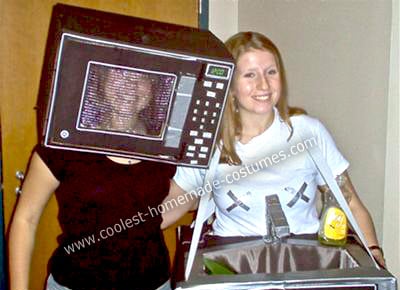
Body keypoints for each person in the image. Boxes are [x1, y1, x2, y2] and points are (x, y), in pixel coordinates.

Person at [161, 31, 385, 268]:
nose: (263, 85)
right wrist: (126, 229)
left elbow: (348, 202)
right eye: (250, 75)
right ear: (231, 85)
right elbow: (176, 202)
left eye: (271, 72)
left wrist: (374, 252)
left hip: (305, 263)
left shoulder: (308, 132)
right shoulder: (210, 140)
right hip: (231, 265)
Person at [8, 79, 176, 290]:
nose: (130, 85)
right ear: (98, 81)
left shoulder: (166, 146)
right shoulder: (64, 142)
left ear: (153, 90)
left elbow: (160, 213)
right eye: (118, 74)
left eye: (141, 77)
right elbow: (25, 218)